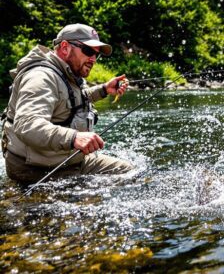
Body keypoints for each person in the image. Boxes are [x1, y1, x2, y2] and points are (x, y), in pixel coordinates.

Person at [1, 23, 134, 184]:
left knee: (131, 173)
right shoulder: (41, 77)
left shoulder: (67, 73)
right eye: (88, 51)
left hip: (64, 161)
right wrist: (74, 137)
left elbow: (68, 102)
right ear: (65, 47)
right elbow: (27, 124)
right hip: (36, 169)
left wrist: (104, 90)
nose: (93, 59)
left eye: (96, 54)